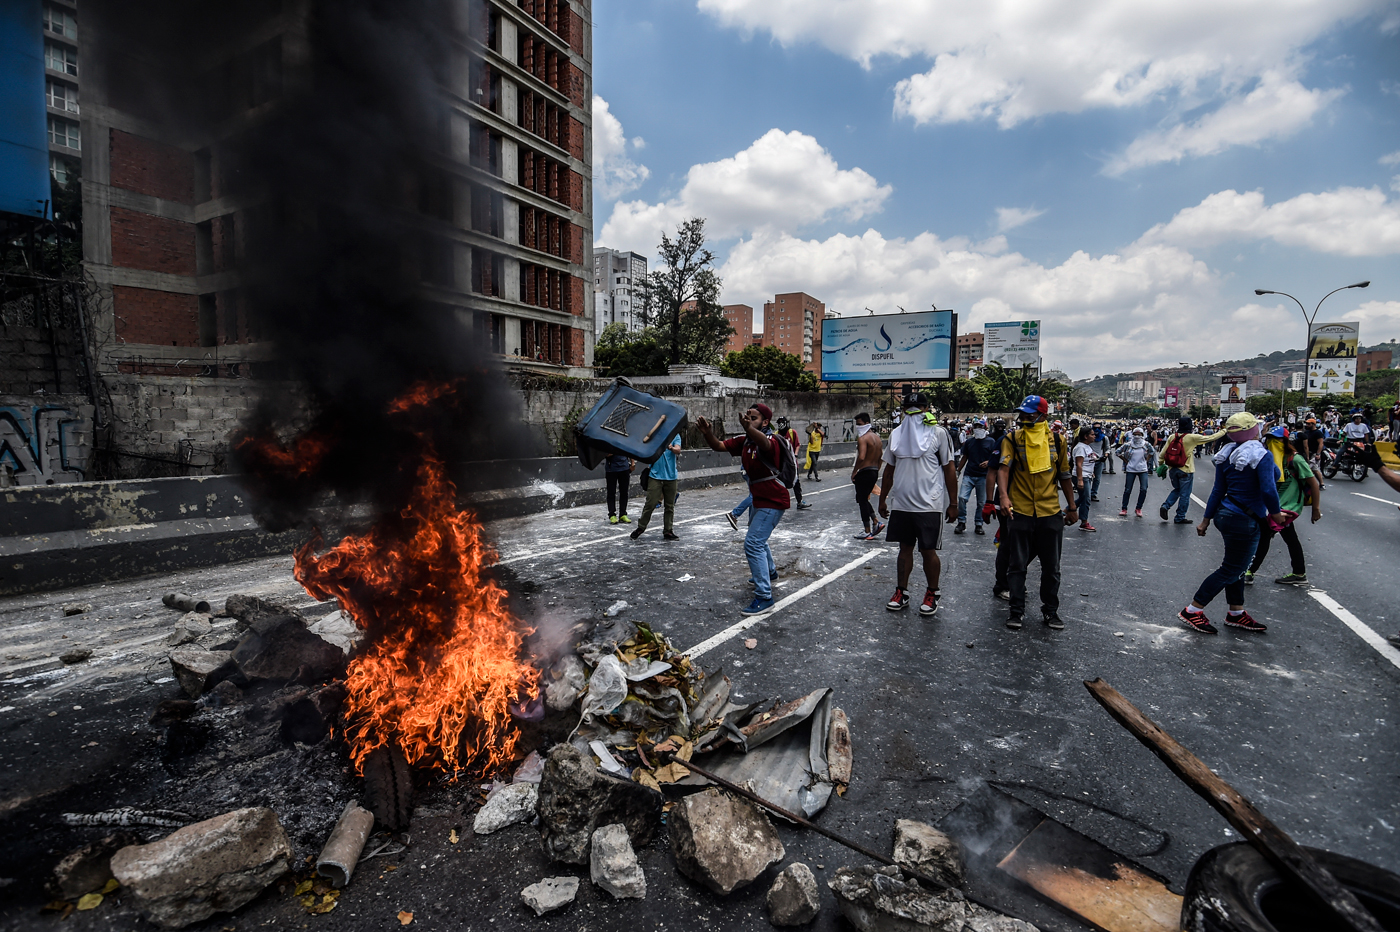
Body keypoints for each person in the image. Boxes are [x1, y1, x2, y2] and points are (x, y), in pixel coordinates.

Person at [1178, 413, 1285, 635]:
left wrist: (1206, 520)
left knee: (1237, 566)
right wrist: (1276, 514)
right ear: (1254, 430)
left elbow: (1217, 490)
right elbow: (1269, 488)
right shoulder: (1260, 455)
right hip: (1244, 520)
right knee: (1232, 568)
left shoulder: (1226, 454)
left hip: (1225, 515)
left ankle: (1236, 612)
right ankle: (1193, 609)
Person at [697, 405, 791, 615]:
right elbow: (719, 446)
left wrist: (750, 429)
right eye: (747, 416)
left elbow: (763, 442)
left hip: (773, 500)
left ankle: (765, 598)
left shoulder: (771, 441)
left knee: (753, 542)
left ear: (765, 422)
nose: (748, 419)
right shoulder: (745, 440)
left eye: (754, 417)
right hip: (759, 499)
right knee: (758, 539)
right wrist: (708, 433)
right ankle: (771, 572)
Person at [996, 395, 1077, 630]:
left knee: (1051, 568)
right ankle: (1016, 611)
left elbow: (1064, 475)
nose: (1024, 419)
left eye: (1030, 415)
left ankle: (1050, 612)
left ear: (1043, 416)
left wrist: (1072, 507)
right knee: (1017, 565)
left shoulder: (1058, 441)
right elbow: (1003, 468)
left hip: (1050, 511)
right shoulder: (1011, 438)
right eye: (1022, 415)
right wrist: (1003, 496)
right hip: (1019, 511)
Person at [877, 392, 957, 617]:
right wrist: (883, 499)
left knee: (928, 550)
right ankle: (901, 592)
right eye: (909, 409)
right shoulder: (896, 434)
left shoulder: (938, 433)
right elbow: (889, 470)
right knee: (904, 549)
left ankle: (932, 592)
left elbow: (949, 468)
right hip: (902, 503)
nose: (913, 413)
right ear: (903, 411)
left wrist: (953, 503)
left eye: (917, 408)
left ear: (925, 409)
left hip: (929, 504)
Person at [1244, 426, 1321, 586]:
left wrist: (1316, 509)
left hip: (1287, 507)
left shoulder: (1295, 459)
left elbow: (1313, 483)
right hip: (1274, 505)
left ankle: (1250, 572)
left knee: (1265, 536)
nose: (1273, 442)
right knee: (1290, 538)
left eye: (1277, 439)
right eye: (1271, 438)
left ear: (1285, 441)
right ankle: (1299, 573)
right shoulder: (1269, 458)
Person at [1157, 417, 1225, 525]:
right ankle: (1180, 517)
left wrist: (1161, 465)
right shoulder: (1191, 438)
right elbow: (1212, 437)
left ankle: (1166, 505)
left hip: (1172, 469)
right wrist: (1225, 430)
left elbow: (1162, 453)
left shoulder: (1172, 437)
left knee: (1177, 489)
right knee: (1185, 494)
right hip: (1186, 470)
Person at [629, 433, 682, 541]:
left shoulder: (675, 436)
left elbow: (678, 449)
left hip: (671, 476)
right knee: (650, 503)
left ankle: (668, 530)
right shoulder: (655, 435)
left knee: (669, 506)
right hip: (655, 475)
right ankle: (641, 527)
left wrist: (671, 447)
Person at [955, 418, 997, 535]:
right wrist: (958, 471)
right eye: (976, 427)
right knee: (962, 498)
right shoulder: (970, 442)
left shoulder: (991, 442)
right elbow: (965, 457)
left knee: (981, 502)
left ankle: (979, 524)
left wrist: (989, 462)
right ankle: (961, 522)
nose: (978, 429)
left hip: (983, 476)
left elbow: (995, 458)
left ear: (985, 428)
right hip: (969, 474)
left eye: (980, 427)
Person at [851, 412, 885, 540]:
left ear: (866, 423)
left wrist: (855, 471)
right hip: (874, 471)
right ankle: (876, 522)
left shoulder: (863, 439)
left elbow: (861, 457)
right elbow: (881, 457)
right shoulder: (877, 438)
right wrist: (876, 470)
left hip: (864, 471)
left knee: (862, 501)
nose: (858, 427)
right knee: (863, 499)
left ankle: (867, 530)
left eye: (859, 424)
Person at [1116, 427, 1155, 517]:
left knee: (1144, 489)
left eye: (1139, 434)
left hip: (1143, 469)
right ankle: (1124, 508)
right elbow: (1118, 452)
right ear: (1132, 435)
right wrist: (1126, 461)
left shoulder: (1146, 444)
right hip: (1131, 469)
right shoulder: (1128, 445)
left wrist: (1146, 460)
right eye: (1135, 434)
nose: (1137, 436)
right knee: (1128, 489)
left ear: (1142, 435)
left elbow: (1152, 452)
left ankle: (1138, 508)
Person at [775, 417, 810, 510]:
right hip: (781, 464)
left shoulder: (792, 432)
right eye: (779, 423)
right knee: (779, 482)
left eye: (782, 422)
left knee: (796, 481)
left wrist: (795, 454)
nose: (780, 424)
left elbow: (797, 444)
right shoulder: (776, 435)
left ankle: (799, 501)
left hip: (791, 463)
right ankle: (779, 502)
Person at [1071, 427, 1098, 532]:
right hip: (1082, 476)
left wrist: (1092, 472)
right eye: (1092, 434)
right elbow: (1079, 464)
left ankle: (1064, 512)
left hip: (1087, 475)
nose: (1094, 436)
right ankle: (1084, 522)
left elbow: (1088, 461)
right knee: (1086, 499)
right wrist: (1080, 480)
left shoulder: (1087, 447)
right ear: (1086, 436)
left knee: (1083, 498)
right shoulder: (1081, 448)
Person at [604, 453, 634, 525]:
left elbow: (629, 449)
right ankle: (612, 514)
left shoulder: (625, 440)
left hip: (624, 468)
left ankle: (623, 514)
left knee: (624, 492)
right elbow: (603, 454)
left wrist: (633, 462)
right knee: (611, 492)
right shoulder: (609, 441)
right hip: (611, 469)